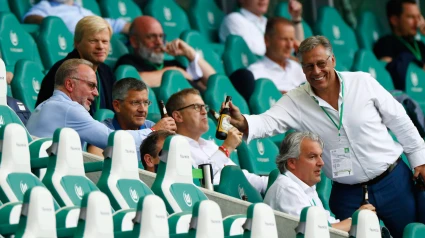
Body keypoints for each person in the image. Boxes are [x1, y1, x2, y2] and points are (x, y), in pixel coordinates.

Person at [227, 35, 425, 238]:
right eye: (309, 66)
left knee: (410, 234)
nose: (316, 71)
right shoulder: (296, 100)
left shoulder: (362, 82)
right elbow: (268, 122)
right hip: (348, 194)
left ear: (333, 60)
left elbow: (399, 120)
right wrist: (243, 122)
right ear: (302, 68)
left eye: (321, 63)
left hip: (392, 181)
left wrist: (420, 161)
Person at [27, 59, 159, 152]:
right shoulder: (69, 109)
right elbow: (112, 141)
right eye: (91, 85)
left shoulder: (45, 106)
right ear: (70, 85)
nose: (96, 93)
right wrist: (153, 132)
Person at [264, 131, 376, 232]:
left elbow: (328, 224)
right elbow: (315, 232)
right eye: (312, 157)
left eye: (321, 156)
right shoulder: (286, 188)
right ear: (292, 162)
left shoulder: (307, 188)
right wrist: (357, 220)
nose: (321, 162)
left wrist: (357, 219)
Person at [165, 88, 268, 194]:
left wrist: (271, 183)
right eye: (196, 107)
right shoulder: (173, 147)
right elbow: (198, 177)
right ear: (178, 116)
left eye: (204, 107)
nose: (204, 112)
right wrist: (226, 149)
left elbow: (241, 177)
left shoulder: (210, 145)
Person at [35, 15, 116, 115]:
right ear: (77, 42)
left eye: (105, 42)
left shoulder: (107, 71)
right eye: (93, 41)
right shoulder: (63, 71)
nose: (100, 46)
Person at [115, 16, 216, 90]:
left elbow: (214, 84)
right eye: (151, 37)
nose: (159, 42)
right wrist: (175, 73)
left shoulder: (173, 63)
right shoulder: (127, 61)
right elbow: (133, 83)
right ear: (134, 41)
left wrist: (190, 53)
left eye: (161, 36)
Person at [87, 77, 177, 158]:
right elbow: (95, 163)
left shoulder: (151, 126)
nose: (142, 109)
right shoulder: (103, 130)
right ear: (117, 105)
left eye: (146, 102)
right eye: (135, 102)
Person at [219, 0, 303, 56]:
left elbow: (296, 50)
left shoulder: (266, 21)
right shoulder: (234, 19)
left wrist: (296, 19)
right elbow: (253, 55)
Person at [373, 0, 425, 90]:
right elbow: (389, 74)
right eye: (411, 17)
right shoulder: (385, 43)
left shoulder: (420, 45)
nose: (417, 23)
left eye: (418, 17)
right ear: (395, 20)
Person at [248, 17, 306, 93]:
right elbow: (227, 102)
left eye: (291, 39)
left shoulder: (295, 66)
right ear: (267, 40)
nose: (289, 45)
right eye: (284, 39)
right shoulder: (255, 73)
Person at [23, 0, 130, 35]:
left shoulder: (83, 10)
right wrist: (54, 24)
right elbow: (30, 18)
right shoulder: (46, 5)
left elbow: (110, 23)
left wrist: (133, 28)